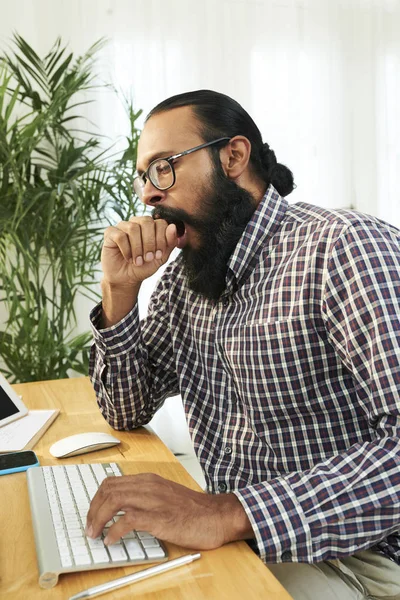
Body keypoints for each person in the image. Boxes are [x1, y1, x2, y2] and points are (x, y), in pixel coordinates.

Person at [86, 90, 400, 600]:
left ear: (232, 158)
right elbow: (126, 408)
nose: (147, 194)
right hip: (246, 537)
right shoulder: (184, 283)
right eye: (144, 175)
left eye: (163, 167)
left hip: (362, 556)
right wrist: (120, 293)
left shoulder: (342, 248)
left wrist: (228, 512)